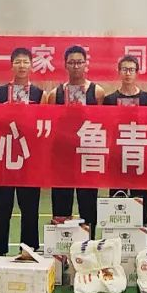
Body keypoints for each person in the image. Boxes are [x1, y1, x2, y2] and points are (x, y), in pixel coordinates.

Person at [43, 45, 105, 234]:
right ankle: (62, 244)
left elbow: (103, 122)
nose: (76, 66)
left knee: (88, 204)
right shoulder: (55, 94)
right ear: (65, 65)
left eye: (79, 62)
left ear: (86, 64)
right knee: (61, 204)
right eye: (72, 62)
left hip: (88, 154)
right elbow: (52, 125)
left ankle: (90, 244)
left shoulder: (97, 92)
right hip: (63, 156)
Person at [0, 48, 45, 259]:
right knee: (2, 207)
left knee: (29, 208)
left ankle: (28, 252)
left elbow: (43, 125)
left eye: (25, 62)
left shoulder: (40, 94)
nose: (22, 65)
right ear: (11, 65)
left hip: (29, 158)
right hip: (4, 158)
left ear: (31, 65)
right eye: (18, 62)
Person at [103, 55, 147, 228]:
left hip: (140, 158)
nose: (128, 73)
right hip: (117, 158)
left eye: (131, 69)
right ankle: (115, 239)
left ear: (137, 72)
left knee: (141, 203)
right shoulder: (109, 100)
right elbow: (106, 128)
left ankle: (143, 240)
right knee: (117, 203)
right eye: (124, 69)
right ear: (119, 72)